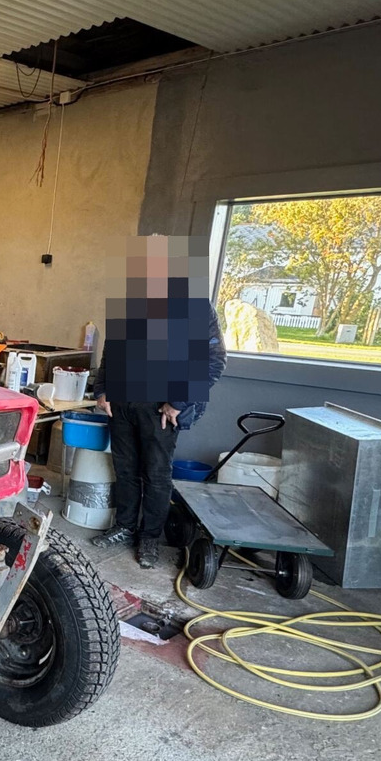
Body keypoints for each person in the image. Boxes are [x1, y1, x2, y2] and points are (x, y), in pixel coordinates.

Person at [90, 236, 227, 568]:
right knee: (125, 469)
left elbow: (213, 360)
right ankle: (124, 527)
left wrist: (178, 402)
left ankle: (149, 537)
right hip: (123, 403)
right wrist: (102, 389)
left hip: (160, 408)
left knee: (155, 473)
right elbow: (111, 350)